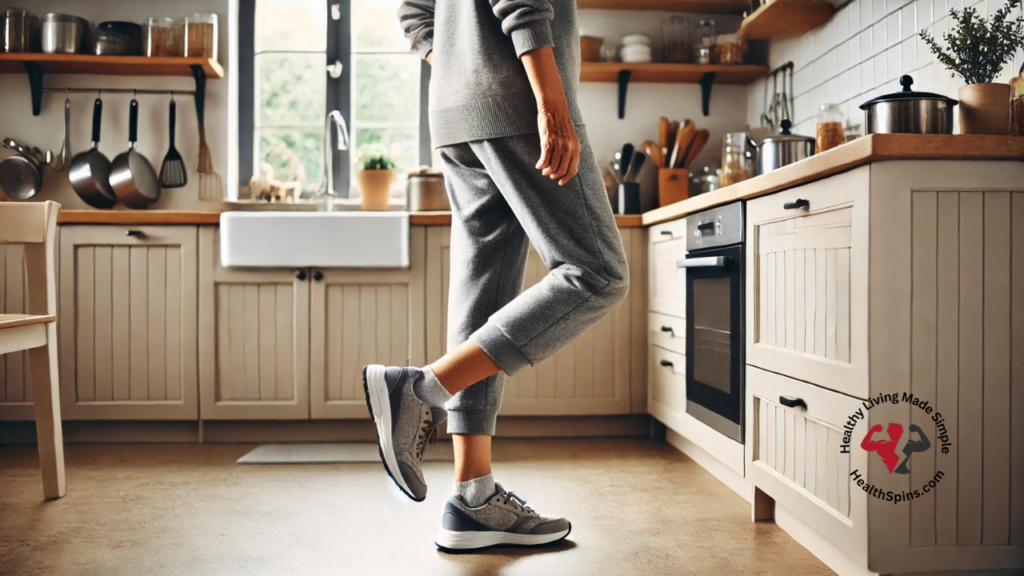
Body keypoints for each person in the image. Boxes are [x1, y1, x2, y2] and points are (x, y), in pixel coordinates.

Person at [362, 0, 629, 552]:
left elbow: (415, 12)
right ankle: (422, 388)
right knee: (599, 273)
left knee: (484, 287)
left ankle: (473, 499)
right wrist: (551, 106)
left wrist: (466, 73)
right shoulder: (533, 101)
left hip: (457, 116)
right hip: (518, 101)